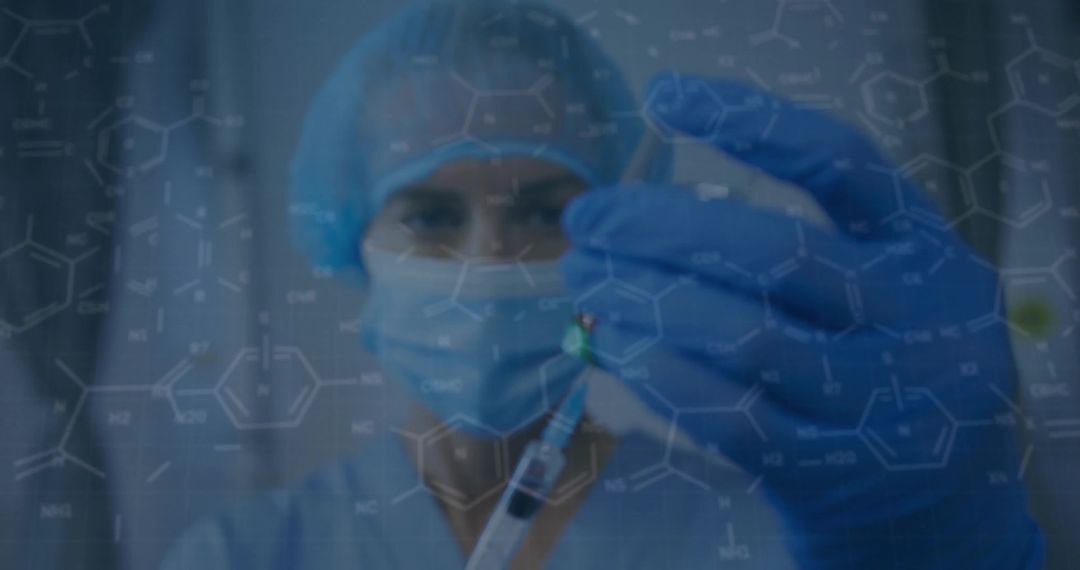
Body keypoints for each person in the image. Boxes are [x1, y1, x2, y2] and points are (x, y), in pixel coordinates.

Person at [162, 0, 1044, 568]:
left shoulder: (759, 534)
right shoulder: (246, 552)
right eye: (431, 217)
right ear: (349, 243)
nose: (494, 255)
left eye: (546, 210)